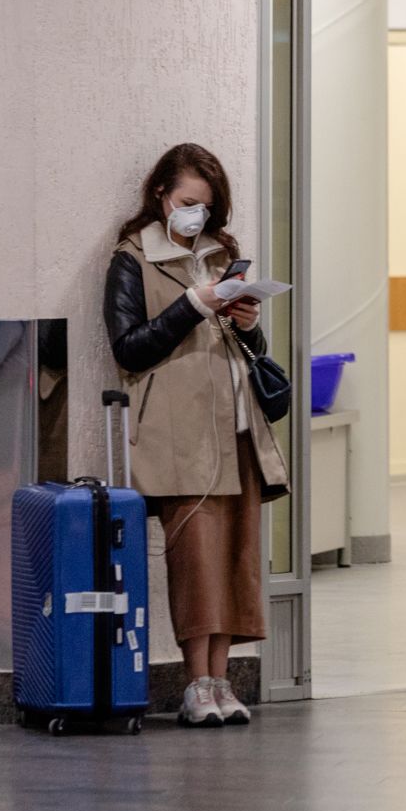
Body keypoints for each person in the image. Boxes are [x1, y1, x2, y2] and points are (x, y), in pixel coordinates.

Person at [103, 143, 289, 728]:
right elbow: (129, 348)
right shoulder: (132, 258)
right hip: (179, 434)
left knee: (236, 560)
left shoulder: (219, 255)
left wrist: (249, 325)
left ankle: (221, 681)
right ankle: (193, 685)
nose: (196, 216)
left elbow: (242, 350)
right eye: (187, 203)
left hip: (236, 429)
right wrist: (190, 304)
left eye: (206, 207)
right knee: (197, 563)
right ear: (160, 194)